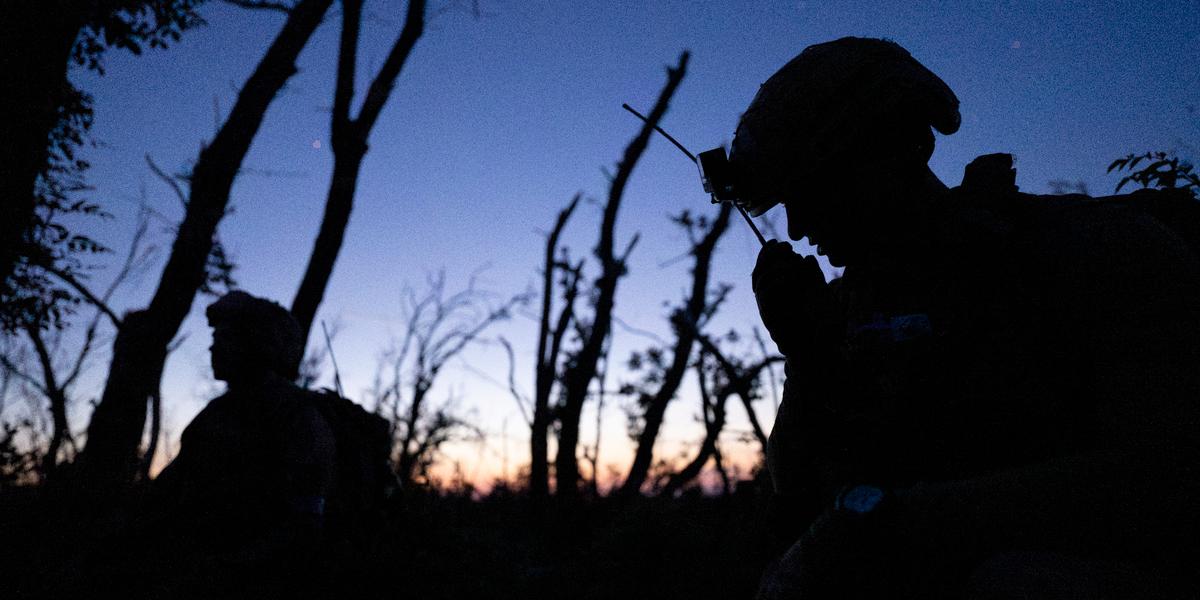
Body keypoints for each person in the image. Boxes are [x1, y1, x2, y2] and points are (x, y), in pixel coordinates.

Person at [735, 37, 1200, 598]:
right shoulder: (846, 318)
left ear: (901, 148)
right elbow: (794, 525)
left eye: (818, 190)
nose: (800, 227)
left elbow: (1170, 479)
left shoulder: (1099, 251)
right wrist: (807, 362)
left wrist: (898, 520)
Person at [141, 291, 337, 597]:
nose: (213, 345)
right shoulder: (218, 414)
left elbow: (305, 524)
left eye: (226, 336)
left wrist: (225, 570)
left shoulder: (296, 416)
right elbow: (167, 494)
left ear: (258, 343)